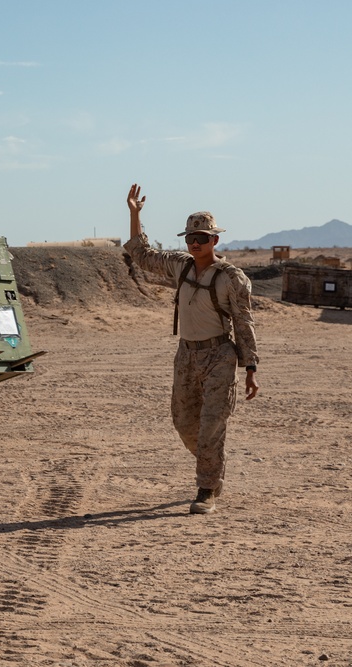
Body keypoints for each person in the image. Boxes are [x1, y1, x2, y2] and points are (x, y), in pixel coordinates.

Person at [124, 183, 259, 514]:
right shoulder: (179, 265)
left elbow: (244, 323)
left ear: (215, 240)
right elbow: (140, 256)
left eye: (202, 237)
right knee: (186, 424)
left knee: (212, 423)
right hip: (186, 354)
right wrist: (135, 215)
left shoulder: (232, 278)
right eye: (190, 238)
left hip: (219, 356)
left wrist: (251, 367)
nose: (195, 243)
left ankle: (206, 489)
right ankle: (213, 466)